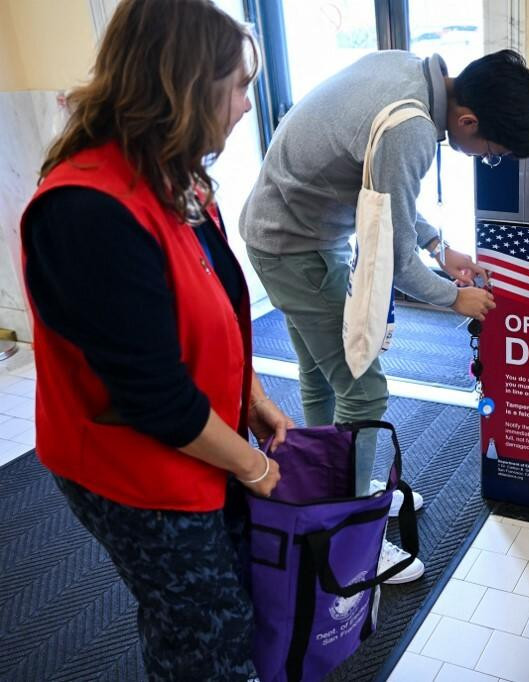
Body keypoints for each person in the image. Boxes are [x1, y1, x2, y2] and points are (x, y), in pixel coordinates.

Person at [20, 1, 292, 678]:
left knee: (223, 603)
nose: (246, 105)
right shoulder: (88, 211)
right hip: (134, 465)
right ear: (185, 88)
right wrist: (252, 466)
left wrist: (249, 395)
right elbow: (157, 400)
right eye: (237, 86)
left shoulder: (174, 172)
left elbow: (214, 309)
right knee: (204, 634)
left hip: (194, 437)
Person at [240, 49, 529, 582]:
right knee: (364, 389)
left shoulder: (407, 71)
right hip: (294, 246)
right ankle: (352, 532)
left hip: (291, 232)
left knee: (321, 373)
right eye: (491, 152)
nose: (484, 158)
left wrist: (437, 244)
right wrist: (455, 298)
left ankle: (328, 489)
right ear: (468, 121)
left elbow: (381, 190)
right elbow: (395, 264)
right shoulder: (412, 128)